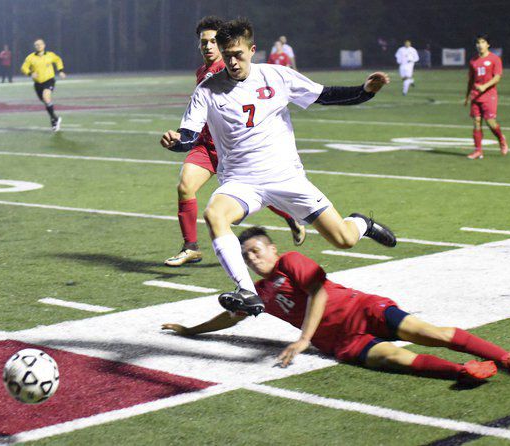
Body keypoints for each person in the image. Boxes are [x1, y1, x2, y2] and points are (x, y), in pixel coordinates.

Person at [160, 18, 396, 317]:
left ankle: (363, 223)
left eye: (238, 54)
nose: (232, 61)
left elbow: (324, 95)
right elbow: (189, 136)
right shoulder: (207, 90)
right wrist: (175, 142)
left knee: (344, 239)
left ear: (252, 50)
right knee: (215, 214)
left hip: (286, 178)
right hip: (241, 181)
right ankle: (246, 289)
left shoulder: (277, 76)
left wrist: (365, 91)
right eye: (227, 54)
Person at [162, 226, 510, 384]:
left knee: (430, 333)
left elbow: (318, 293)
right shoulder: (260, 291)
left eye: (257, 250)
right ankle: (462, 371)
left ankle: (506, 357)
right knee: (397, 360)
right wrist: (190, 329)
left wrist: (304, 339)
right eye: (245, 255)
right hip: (341, 342)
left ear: (273, 248)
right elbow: (231, 317)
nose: (253, 257)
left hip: (361, 309)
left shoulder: (291, 260)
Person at [164, 17, 306, 267]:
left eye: (212, 42)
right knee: (185, 186)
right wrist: (182, 136)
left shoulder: (231, 69)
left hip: (232, 148)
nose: (208, 47)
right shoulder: (202, 72)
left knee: (256, 192)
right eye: (203, 42)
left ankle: (291, 217)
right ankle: (191, 247)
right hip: (205, 145)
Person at [465, 34, 507, 160]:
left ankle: (501, 138)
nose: (480, 45)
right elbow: (471, 80)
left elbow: (497, 77)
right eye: (478, 42)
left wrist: (484, 87)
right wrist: (467, 96)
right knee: (476, 122)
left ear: (488, 44)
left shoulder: (495, 59)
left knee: (490, 122)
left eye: (483, 42)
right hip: (476, 96)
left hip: (489, 95)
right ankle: (478, 151)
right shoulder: (473, 61)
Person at [21, 38, 65, 131]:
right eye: (36, 45)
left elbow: (58, 60)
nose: (38, 46)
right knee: (46, 102)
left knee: (46, 97)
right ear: (34, 46)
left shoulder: (50, 55)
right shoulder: (30, 57)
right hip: (38, 84)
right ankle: (55, 118)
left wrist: (60, 70)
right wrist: (30, 73)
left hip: (49, 80)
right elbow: (24, 68)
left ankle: (54, 120)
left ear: (44, 45)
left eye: (40, 44)